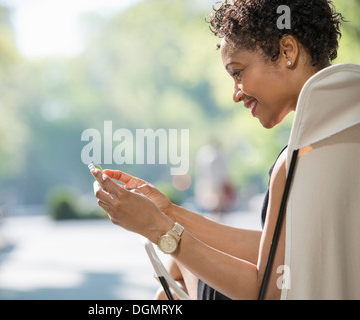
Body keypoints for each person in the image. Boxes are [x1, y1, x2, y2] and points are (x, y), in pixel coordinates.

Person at [90, 0, 349, 300]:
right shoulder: (342, 132)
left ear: (287, 52)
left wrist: (158, 229)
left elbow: (267, 291)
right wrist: (171, 214)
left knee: (174, 271)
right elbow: (281, 249)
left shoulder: (296, 162)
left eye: (238, 72)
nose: (235, 93)